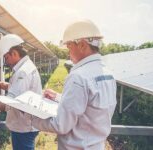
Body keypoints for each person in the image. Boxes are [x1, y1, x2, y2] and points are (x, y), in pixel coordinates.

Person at [32, 20, 117, 150]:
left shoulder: (78, 77)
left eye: (69, 46)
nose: (68, 52)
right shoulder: (108, 74)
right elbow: (89, 106)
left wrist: (30, 117)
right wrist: (59, 97)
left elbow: (61, 125)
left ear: (82, 45)